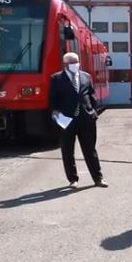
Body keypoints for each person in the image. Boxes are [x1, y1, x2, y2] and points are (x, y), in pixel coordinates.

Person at [49, 52, 107, 189]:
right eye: (72, 62)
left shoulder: (86, 76)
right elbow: (53, 101)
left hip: (86, 120)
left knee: (90, 150)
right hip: (66, 121)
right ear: (65, 64)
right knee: (67, 151)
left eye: (77, 62)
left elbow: (92, 95)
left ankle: (98, 178)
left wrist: (94, 111)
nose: (76, 64)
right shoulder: (56, 78)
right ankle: (73, 179)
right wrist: (56, 115)